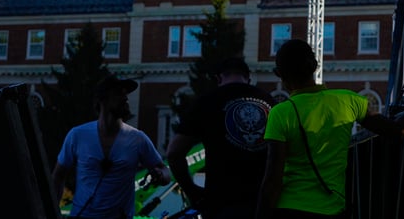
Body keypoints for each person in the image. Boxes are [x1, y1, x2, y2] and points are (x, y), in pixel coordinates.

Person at [256, 39, 404, 219]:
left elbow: (272, 179)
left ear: (282, 76)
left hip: (289, 210)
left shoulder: (280, 113)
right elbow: (397, 130)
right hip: (333, 209)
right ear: (315, 66)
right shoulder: (349, 101)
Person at [166, 57, 274, 219]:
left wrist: (193, 192)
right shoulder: (270, 102)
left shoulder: (206, 102)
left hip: (221, 203)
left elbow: (174, 154)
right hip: (265, 202)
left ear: (218, 78)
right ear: (249, 79)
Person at [51, 75, 170, 219]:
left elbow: (165, 171)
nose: (125, 98)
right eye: (119, 93)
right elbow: (58, 176)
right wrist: (52, 212)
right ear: (102, 99)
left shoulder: (138, 139)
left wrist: (160, 174)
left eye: (126, 94)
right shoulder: (77, 135)